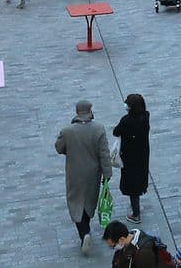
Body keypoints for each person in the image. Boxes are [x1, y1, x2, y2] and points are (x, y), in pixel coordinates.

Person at [54, 99, 114, 256]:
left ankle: (84, 233)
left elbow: (59, 147)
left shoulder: (67, 131)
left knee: (75, 201)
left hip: (74, 174)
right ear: (90, 110)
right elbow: (104, 154)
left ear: (77, 111)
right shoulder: (99, 129)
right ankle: (86, 229)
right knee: (88, 201)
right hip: (93, 174)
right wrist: (107, 174)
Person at [113, 94, 151, 225]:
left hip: (130, 157)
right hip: (143, 155)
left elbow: (116, 132)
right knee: (139, 180)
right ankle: (137, 205)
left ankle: (136, 214)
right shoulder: (146, 116)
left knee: (132, 186)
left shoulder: (126, 120)